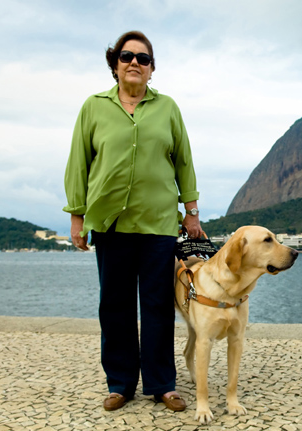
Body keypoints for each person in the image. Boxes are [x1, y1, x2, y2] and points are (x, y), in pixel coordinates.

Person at [63, 30, 202, 412]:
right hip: (109, 224)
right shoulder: (93, 107)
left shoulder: (168, 108)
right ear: (115, 65)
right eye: (127, 57)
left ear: (152, 69)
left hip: (158, 224)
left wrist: (191, 213)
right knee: (115, 306)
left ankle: (161, 385)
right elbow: (79, 163)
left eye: (143, 58)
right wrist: (77, 217)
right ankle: (120, 384)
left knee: (157, 306)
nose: (135, 63)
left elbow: (183, 161)